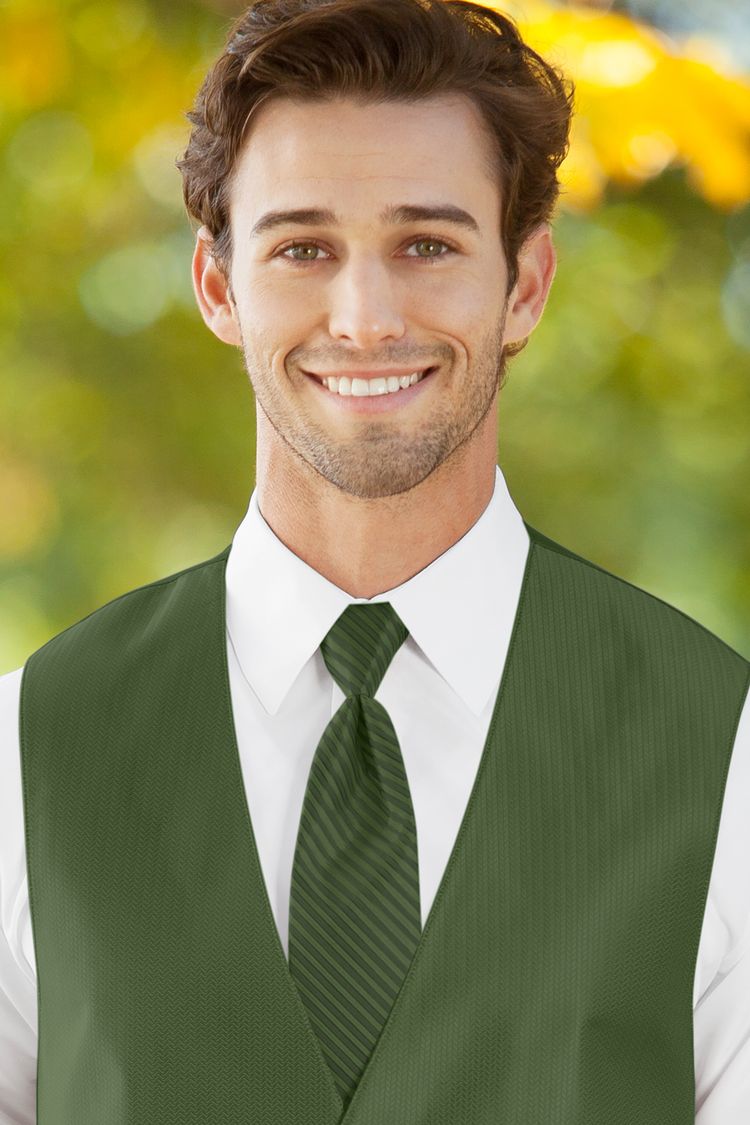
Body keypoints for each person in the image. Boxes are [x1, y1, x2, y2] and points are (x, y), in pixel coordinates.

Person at [0, 0, 748, 1120]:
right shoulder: (26, 752)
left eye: (427, 245)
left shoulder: (727, 757)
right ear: (219, 287)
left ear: (525, 285)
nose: (363, 318)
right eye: (303, 248)